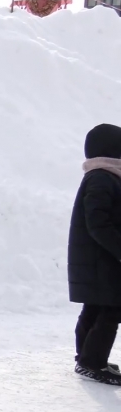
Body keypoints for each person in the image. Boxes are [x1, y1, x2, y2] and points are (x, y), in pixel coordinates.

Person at [69, 123, 121, 385]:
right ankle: (92, 362)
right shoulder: (103, 177)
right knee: (111, 310)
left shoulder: (103, 176)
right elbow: (98, 223)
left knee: (95, 308)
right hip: (102, 261)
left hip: (98, 260)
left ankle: (87, 358)